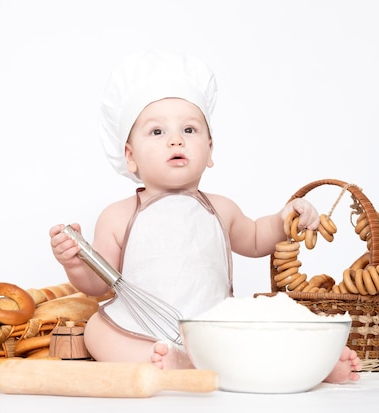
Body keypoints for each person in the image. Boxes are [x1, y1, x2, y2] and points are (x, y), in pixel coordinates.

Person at [49, 50, 361, 383]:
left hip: (214, 327)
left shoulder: (221, 209)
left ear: (209, 150)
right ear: (130, 156)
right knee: (97, 331)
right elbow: (99, 284)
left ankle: (315, 364)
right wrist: (74, 264)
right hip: (141, 327)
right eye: (157, 132)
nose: (175, 139)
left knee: (264, 320)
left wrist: (287, 216)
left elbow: (257, 238)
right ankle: (171, 361)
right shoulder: (117, 216)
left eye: (189, 129)